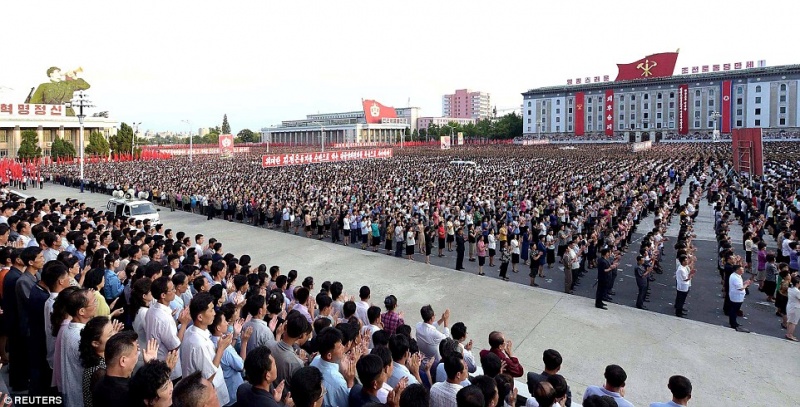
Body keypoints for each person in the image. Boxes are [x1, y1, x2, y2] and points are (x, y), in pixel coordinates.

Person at [181, 292, 232, 405]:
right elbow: (208, 377)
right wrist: (221, 349)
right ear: (200, 317)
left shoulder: (191, 331)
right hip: (205, 396)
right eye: (211, 310)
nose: (214, 313)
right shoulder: (199, 343)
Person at [146, 276, 190, 382]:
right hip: (169, 367)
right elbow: (175, 346)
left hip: (156, 361)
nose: (175, 291)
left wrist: (178, 321)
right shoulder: (164, 318)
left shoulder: (152, 309)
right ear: (163, 295)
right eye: (172, 289)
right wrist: (184, 324)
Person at [309, 327, 355, 407]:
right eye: (340, 346)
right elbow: (346, 403)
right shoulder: (338, 381)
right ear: (329, 355)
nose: (343, 348)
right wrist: (350, 381)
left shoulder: (315, 360)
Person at [728, 265, 751, 332]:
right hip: (736, 296)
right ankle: (733, 324)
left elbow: (739, 285)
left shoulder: (736, 276)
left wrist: (744, 283)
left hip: (737, 296)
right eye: (741, 269)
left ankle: (733, 322)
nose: (743, 270)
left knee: (734, 310)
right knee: (734, 310)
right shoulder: (735, 277)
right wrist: (746, 284)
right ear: (737, 270)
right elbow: (740, 288)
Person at [784, 275, 800, 341]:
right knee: (793, 322)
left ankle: (788, 333)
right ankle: (790, 335)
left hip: (790, 306)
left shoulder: (790, 289)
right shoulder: (797, 291)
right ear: (797, 283)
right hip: (796, 307)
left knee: (789, 320)